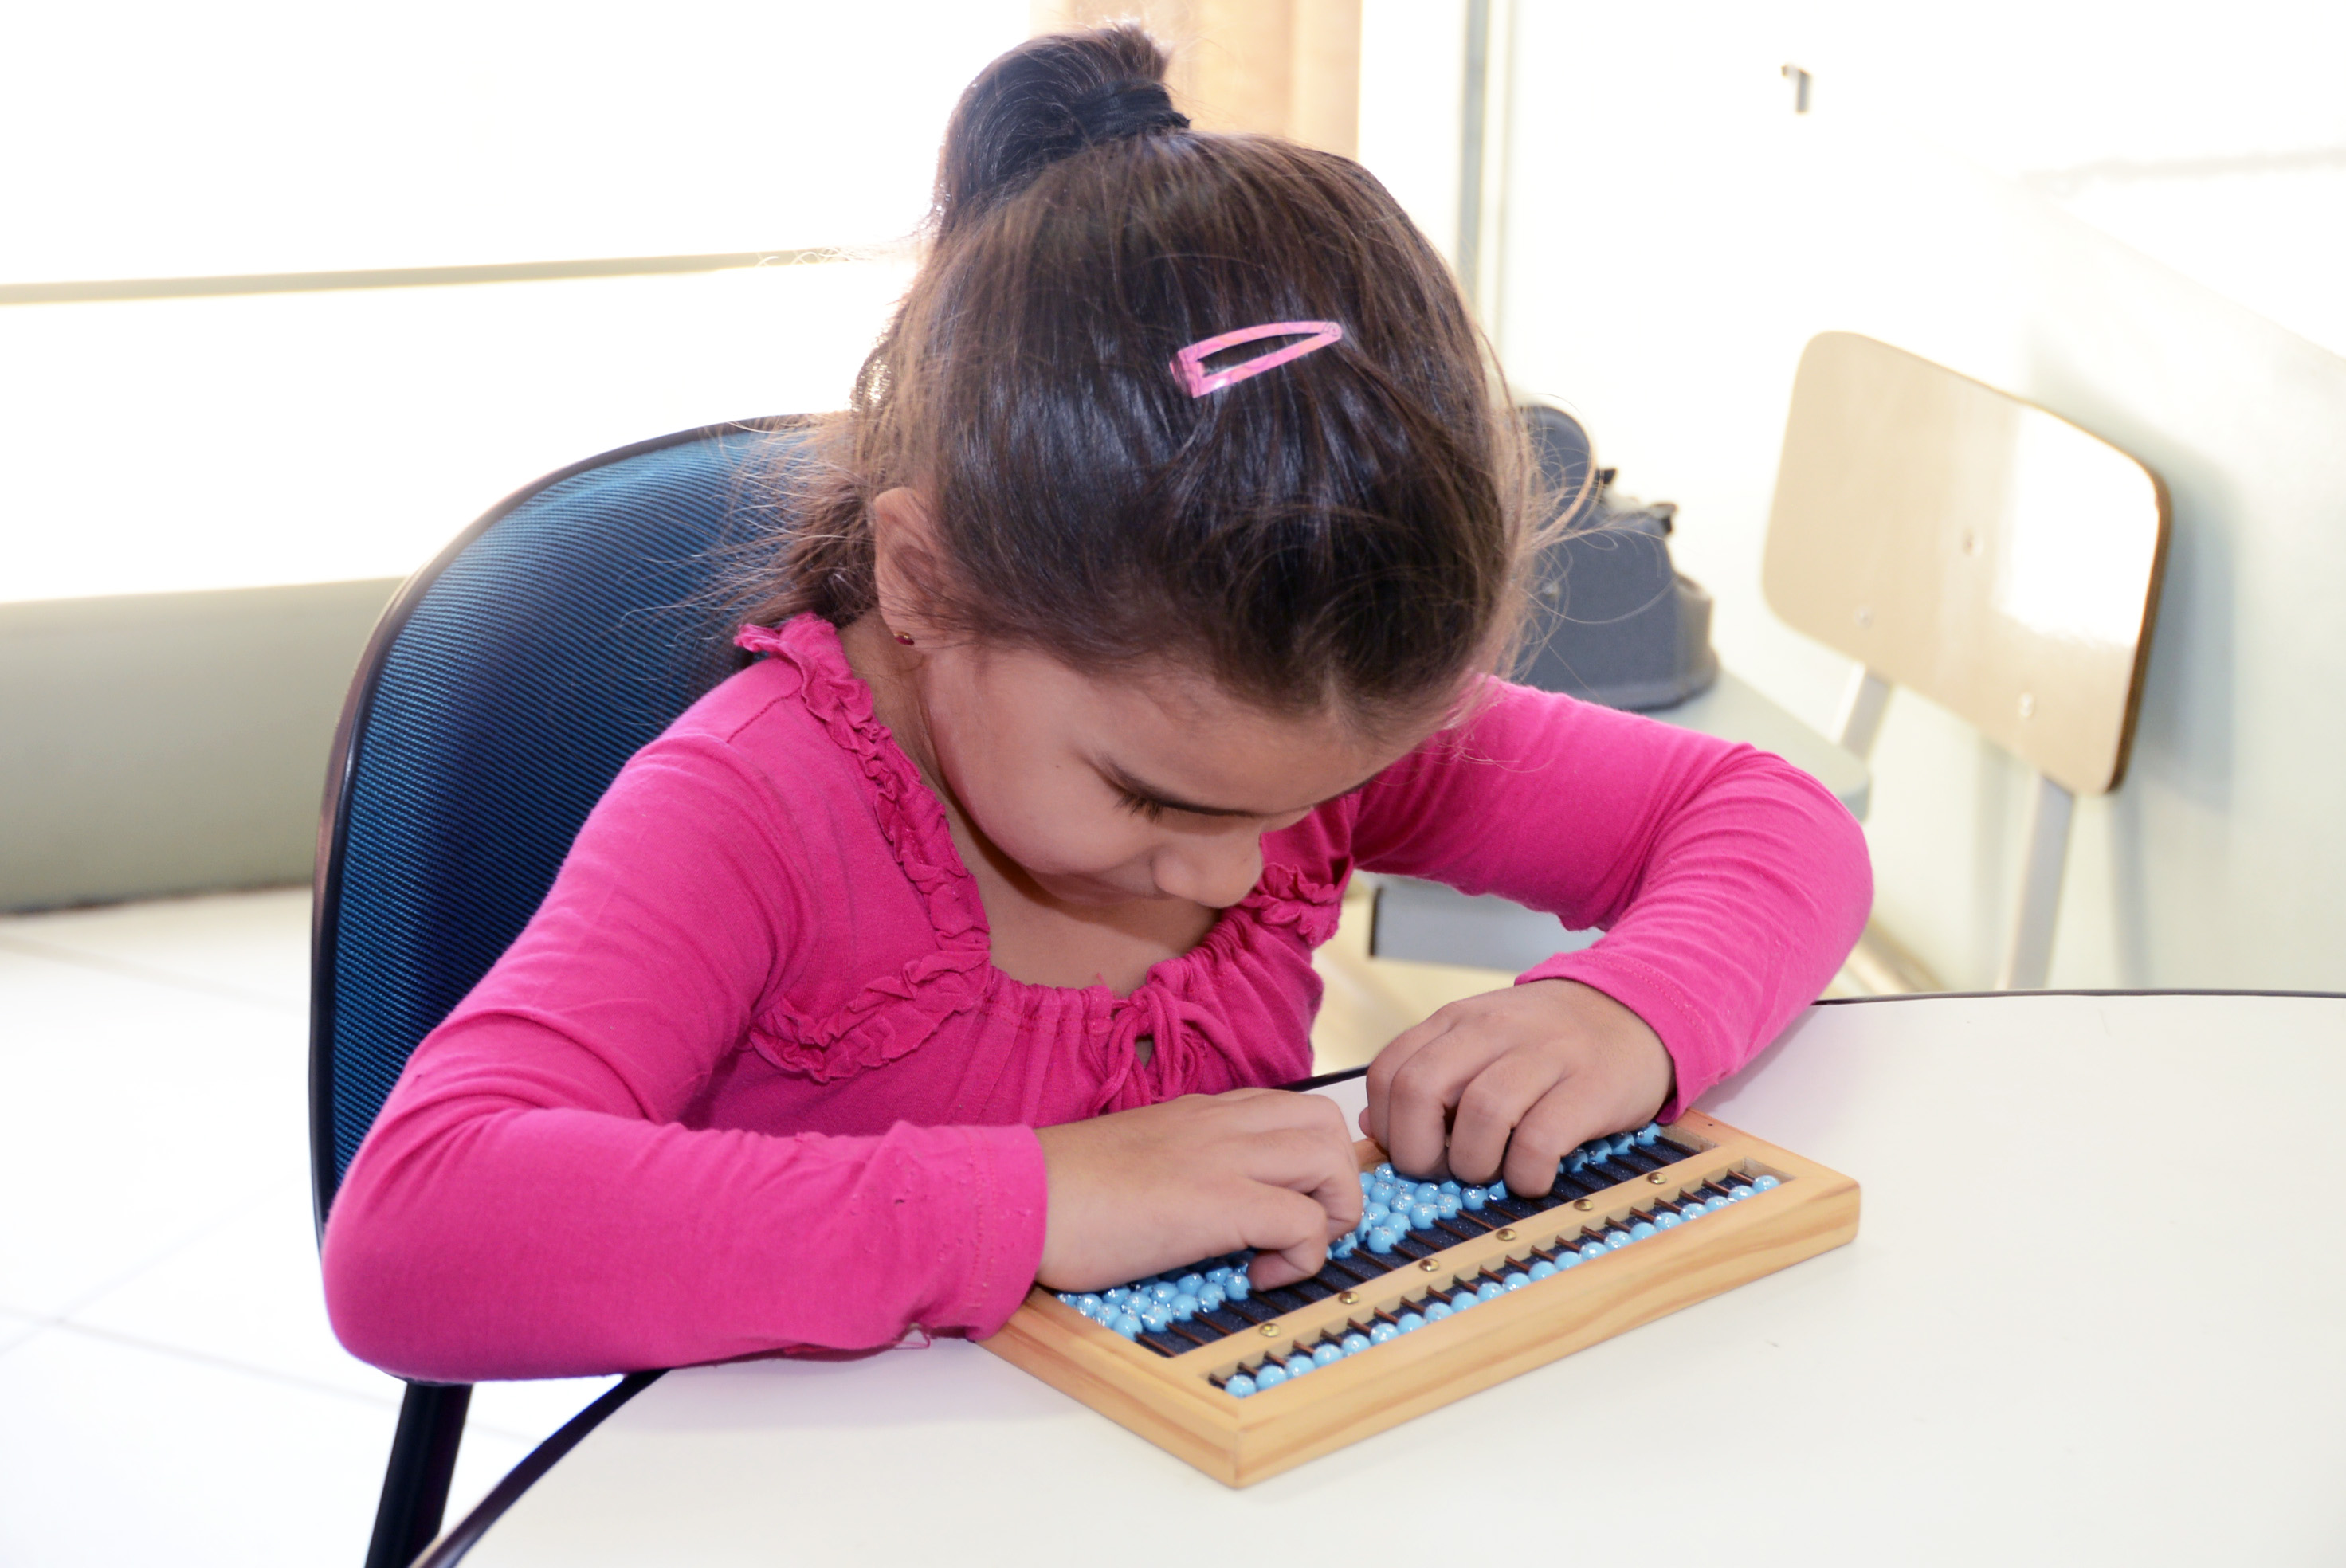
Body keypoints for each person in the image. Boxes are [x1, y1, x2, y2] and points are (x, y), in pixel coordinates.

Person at [322, 25, 1869, 1382]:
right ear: (922, 583)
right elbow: (416, 1235)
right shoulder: (755, 811)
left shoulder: (1281, 716)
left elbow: (1762, 821)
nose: (1238, 870)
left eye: (1297, 808)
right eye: (1150, 799)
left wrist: (1624, 1010)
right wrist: (1038, 1199)